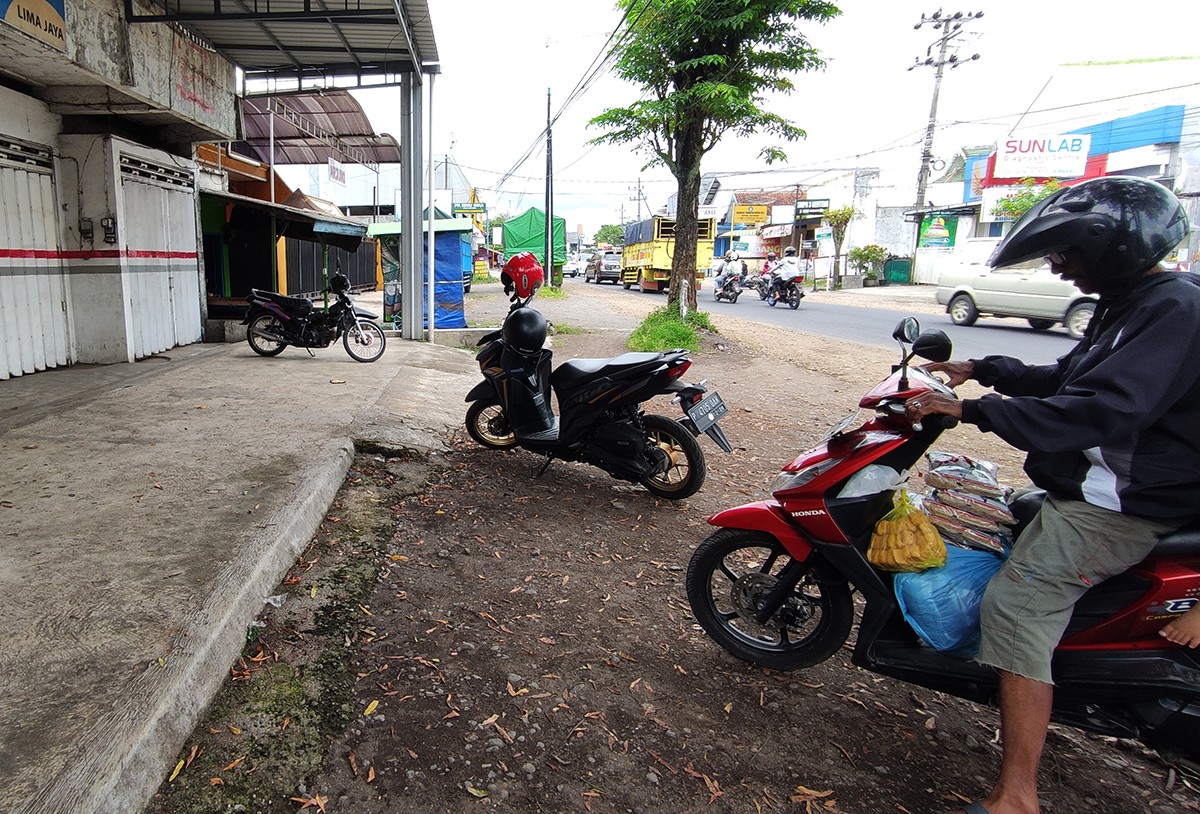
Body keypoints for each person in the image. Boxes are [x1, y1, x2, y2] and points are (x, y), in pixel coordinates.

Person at [904, 177, 1196, 814]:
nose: (1058, 266)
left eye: (1067, 252)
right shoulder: (1133, 303)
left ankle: (1017, 797)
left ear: (1115, 245)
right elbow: (1065, 375)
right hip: (1089, 488)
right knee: (1011, 520)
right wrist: (979, 370)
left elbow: (1100, 410)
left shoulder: (1175, 309)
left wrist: (973, 411)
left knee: (1014, 608)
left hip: (1116, 506)